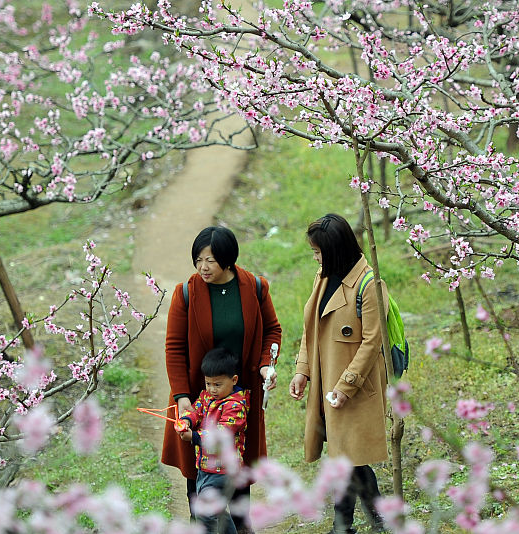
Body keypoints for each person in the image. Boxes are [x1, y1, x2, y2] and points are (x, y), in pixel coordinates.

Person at [163, 225, 282, 533]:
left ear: (228, 260)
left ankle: (242, 525)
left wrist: (266, 366)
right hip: (199, 395)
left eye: (211, 260)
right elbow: (174, 347)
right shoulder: (186, 293)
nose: (203, 267)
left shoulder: (255, 288)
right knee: (198, 464)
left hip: (240, 397)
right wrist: (182, 397)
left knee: (238, 460)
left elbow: (272, 331)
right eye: (199, 259)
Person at [288, 213, 388, 534]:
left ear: (336, 250)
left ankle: (346, 525)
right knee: (346, 457)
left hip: (355, 388)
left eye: (319, 252)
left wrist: (347, 385)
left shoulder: (369, 285)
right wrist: (302, 370)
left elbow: (372, 342)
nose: (316, 258)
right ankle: (374, 521)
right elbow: (310, 328)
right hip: (325, 381)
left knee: (349, 456)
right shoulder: (323, 275)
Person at [178, 347, 250, 534]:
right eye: (208, 383)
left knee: (206, 511)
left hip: (224, 470)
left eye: (217, 385)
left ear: (234, 380)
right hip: (205, 467)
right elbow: (195, 411)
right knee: (215, 510)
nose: (212, 389)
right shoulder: (206, 396)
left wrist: (194, 436)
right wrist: (186, 421)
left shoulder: (235, 407)